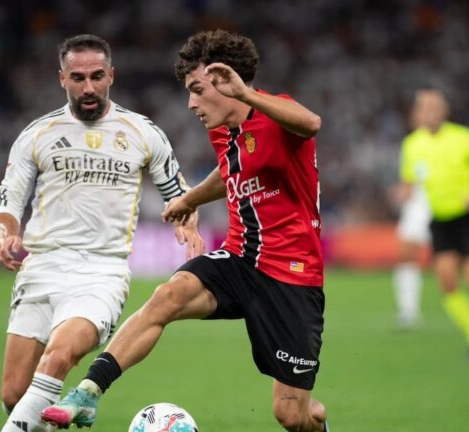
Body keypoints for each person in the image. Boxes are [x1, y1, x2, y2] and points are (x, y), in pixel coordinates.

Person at [43, 29, 329, 432]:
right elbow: (232, 168)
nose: (191, 103)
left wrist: (245, 94)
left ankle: (318, 420)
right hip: (241, 258)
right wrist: (190, 198)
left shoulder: (276, 116)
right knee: (167, 296)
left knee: (294, 417)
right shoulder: (222, 130)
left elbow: (312, 123)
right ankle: (88, 392)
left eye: (198, 90)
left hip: (292, 275)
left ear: (228, 82)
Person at [0, 34, 203, 432]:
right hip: (41, 267)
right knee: (15, 396)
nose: (88, 87)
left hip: (100, 273)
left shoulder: (142, 132)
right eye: (78, 77)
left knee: (58, 358)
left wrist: (187, 224)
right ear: (61, 79)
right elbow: (7, 203)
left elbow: (179, 195)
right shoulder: (37, 134)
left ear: (112, 76)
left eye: (96, 76)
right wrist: (7, 234)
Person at [399, 88, 469, 361]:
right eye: (424, 107)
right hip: (440, 221)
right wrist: (405, 192)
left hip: (467, 219)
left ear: (445, 110)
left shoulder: (464, 138)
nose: (429, 112)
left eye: (434, 106)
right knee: (447, 282)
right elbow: (410, 181)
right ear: (418, 113)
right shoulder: (412, 144)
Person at [391, 179, 430, 330]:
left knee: (458, 259)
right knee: (406, 257)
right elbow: (408, 179)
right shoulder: (411, 154)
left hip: (442, 202)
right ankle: (409, 311)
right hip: (417, 206)